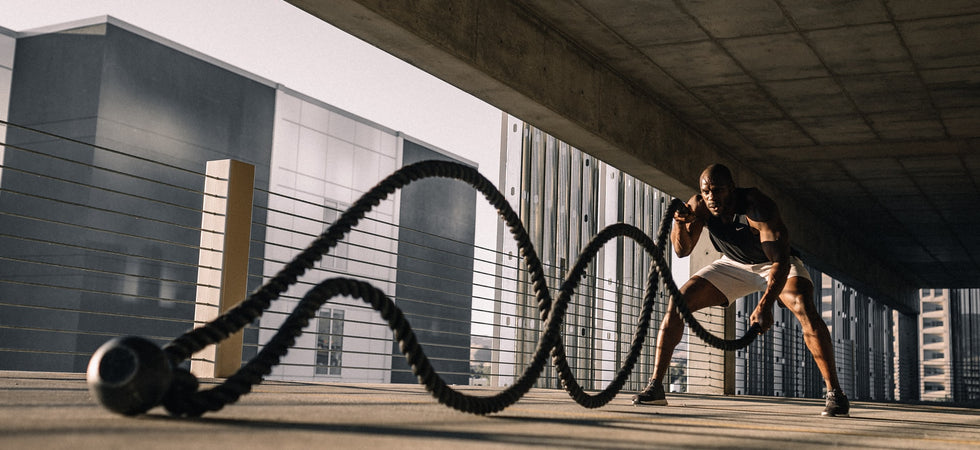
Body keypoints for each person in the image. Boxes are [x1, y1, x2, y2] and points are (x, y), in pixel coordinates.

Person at [632, 163, 849, 417]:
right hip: (733, 264)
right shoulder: (700, 205)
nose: (711, 197)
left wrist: (765, 305)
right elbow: (682, 251)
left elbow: (780, 261)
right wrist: (680, 223)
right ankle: (656, 387)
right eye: (706, 191)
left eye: (718, 190)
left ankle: (835, 393)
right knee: (679, 302)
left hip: (774, 264)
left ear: (731, 189)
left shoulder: (757, 206)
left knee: (803, 306)